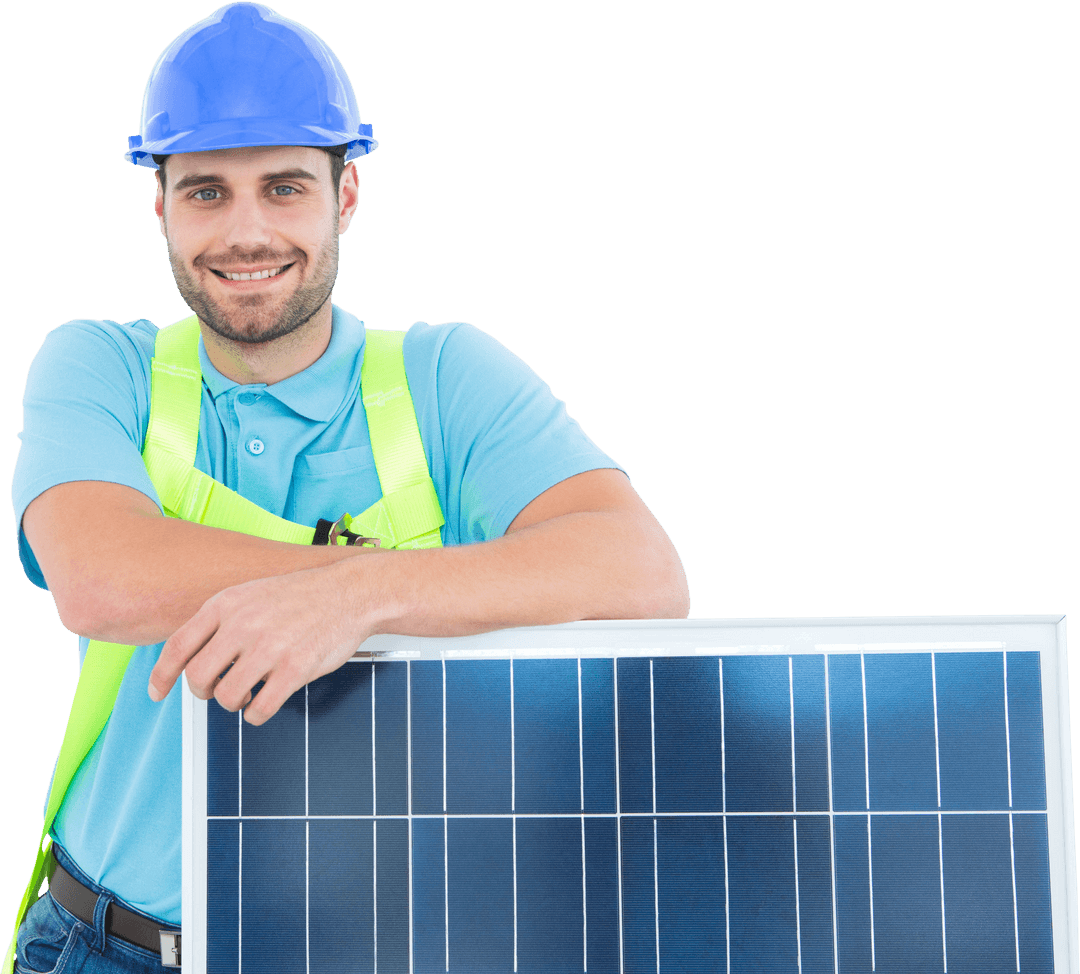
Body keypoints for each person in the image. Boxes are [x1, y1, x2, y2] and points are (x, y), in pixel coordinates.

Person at [7, 3, 688, 972]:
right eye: (206, 192)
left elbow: (643, 574)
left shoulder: (446, 379)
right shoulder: (97, 366)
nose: (246, 232)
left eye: (284, 187)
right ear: (161, 207)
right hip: (105, 944)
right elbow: (101, 578)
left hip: (378, 949)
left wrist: (361, 596)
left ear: (346, 195)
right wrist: (354, 573)